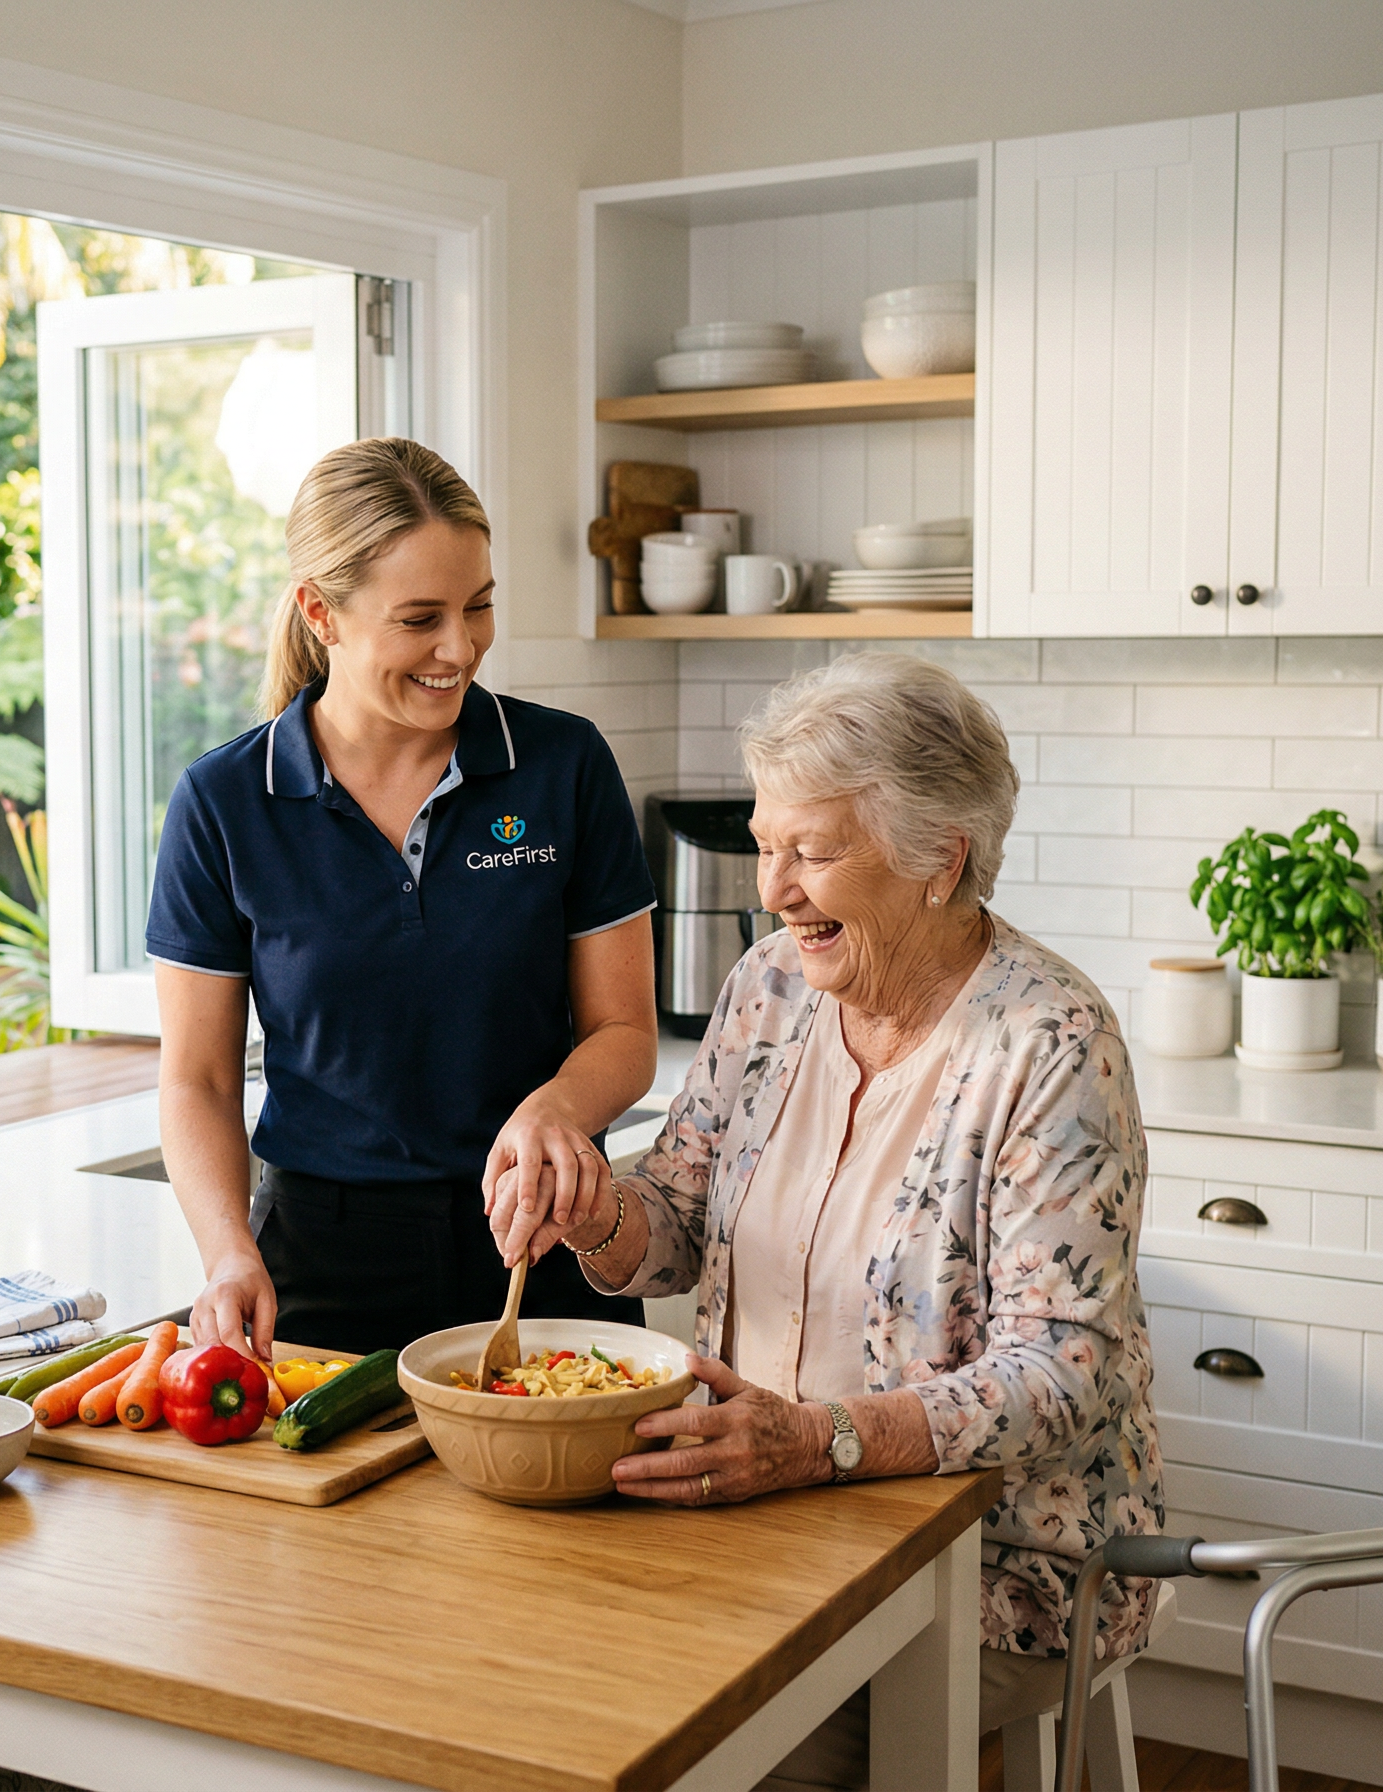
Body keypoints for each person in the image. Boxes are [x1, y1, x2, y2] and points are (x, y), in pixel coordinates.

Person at [491, 652, 1164, 1786]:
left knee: (719, 1747)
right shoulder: (769, 987)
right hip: (753, 1515)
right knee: (549, 1679)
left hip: (996, 1564)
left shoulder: (1049, 1043)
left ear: (938, 860)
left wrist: (820, 1441)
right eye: (767, 845)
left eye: (812, 851)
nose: (774, 887)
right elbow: (676, 1220)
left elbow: (1064, 1372)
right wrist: (592, 1206)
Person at [147, 437, 660, 1361]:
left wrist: (553, 1111)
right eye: (420, 618)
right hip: (323, 1265)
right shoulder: (224, 803)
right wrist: (227, 1255)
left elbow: (624, 1033)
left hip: (540, 1237)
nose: (459, 648)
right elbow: (200, 1079)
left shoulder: (563, 766)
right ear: (321, 612)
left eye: (479, 607)